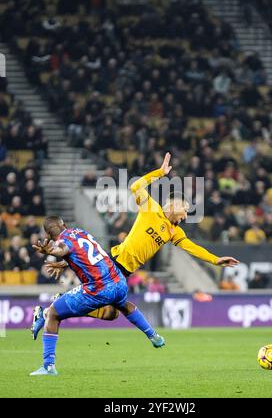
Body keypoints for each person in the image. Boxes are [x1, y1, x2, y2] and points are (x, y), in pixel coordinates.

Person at [32, 153, 239, 338]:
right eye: (185, 210)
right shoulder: (151, 209)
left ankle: (58, 304)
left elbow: (191, 248)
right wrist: (159, 172)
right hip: (114, 263)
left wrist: (215, 260)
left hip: (124, 272)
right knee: (118, 307)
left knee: (111, 314)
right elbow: (135, 186)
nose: (185, 216)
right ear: (174, 205)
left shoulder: (174, 231)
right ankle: (57, 308)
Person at [30, 216, 165, 376]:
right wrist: (64, 261)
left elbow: (63, 249)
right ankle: (154, 336)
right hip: (118, 281)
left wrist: (52, 251)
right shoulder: (80, 232)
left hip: (99, 287)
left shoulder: (62, 242)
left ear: (47, 234)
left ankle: (48, 366)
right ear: (64, 225)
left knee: (53, 313)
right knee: (114, 312)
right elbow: (86, 252)